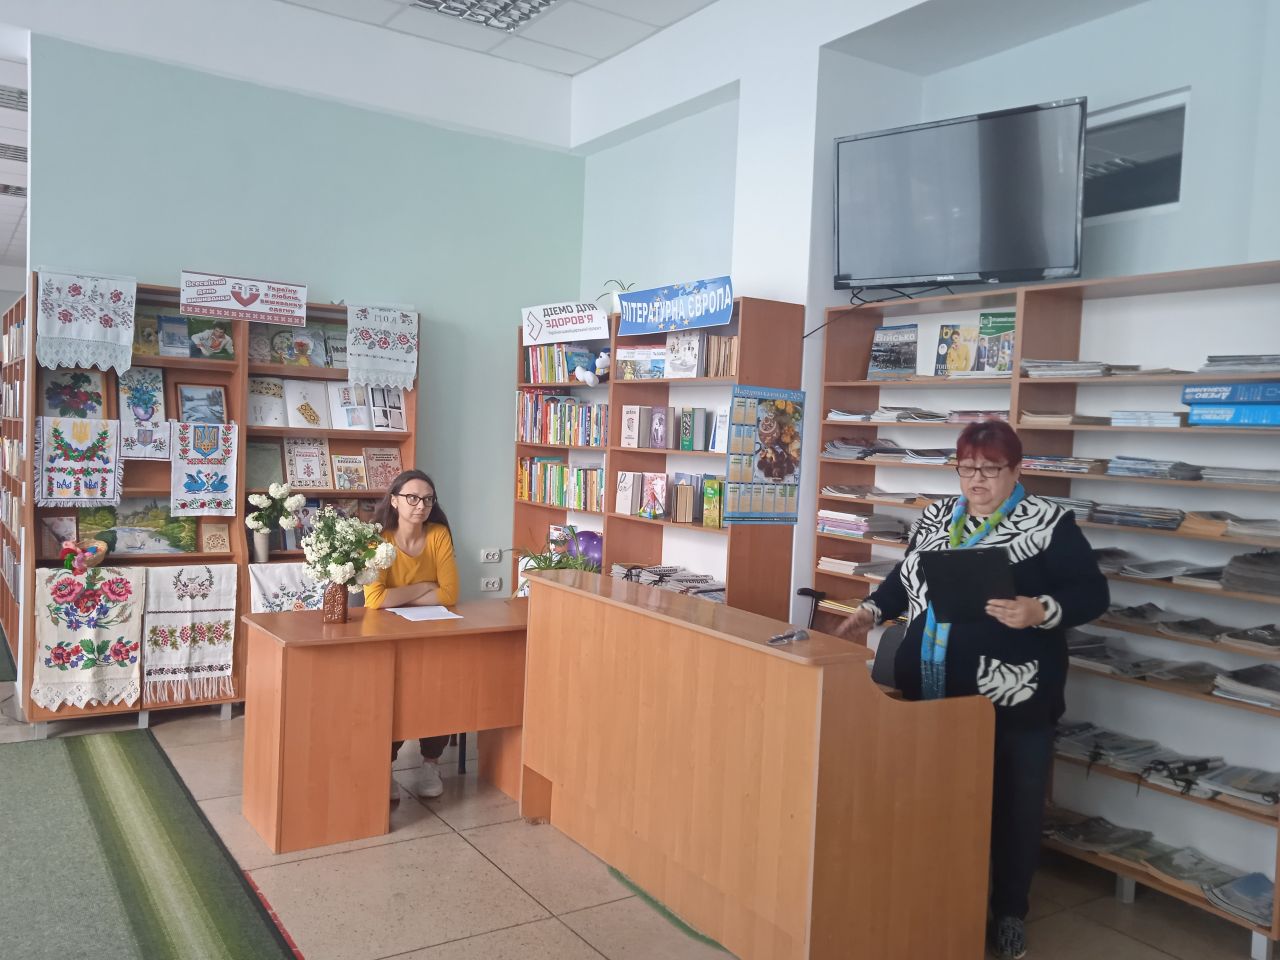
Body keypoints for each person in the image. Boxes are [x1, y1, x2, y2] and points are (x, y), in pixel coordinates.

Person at [838, 420, 1107, 960]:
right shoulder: (937, 515)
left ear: (1017, 470)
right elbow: (906, 577)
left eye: (990, 469)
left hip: (1013, 698)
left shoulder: (1049, 522)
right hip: (930, 692)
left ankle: (1009, 912)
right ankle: (936, 899)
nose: (977, 480)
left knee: (1014, 806)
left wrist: (1039, 609)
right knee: (932, 801)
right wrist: (871, 609)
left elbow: (1092, 593)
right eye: (967, 469)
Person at [364, 470, 460, 801]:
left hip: (434, 629)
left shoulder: (438, 534)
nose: (421, 505)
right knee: (392, 695)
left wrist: (400, 595)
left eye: (428, 499)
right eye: (412, 498)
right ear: (394, 500)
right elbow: (375, 600)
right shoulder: (378, 539)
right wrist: (425, 587)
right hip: (386, 633)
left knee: (440, 690)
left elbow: (450, 594)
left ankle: (431, 763)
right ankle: (385, 766)